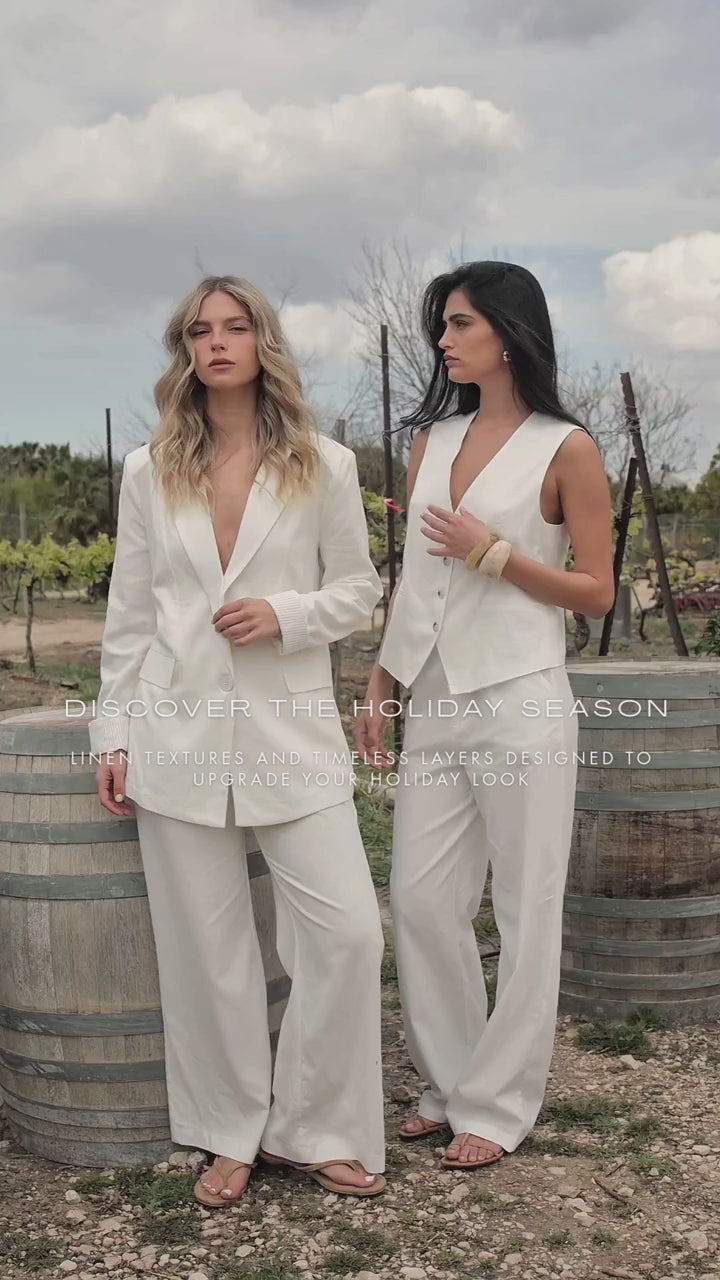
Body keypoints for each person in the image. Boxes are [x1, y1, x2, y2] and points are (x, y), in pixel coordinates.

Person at [90, 275, 387, 1204]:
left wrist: (286, 614)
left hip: (290, 736)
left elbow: (359, 589)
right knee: (207, 955)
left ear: (263, 342)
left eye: (234, 327)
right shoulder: (148, 469)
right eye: (199, 331)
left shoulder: (324, 464)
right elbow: (130, 616)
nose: (216, 343)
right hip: (174, 734)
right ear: (185, 350)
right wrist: (112, 731)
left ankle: (316, 1126)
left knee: (347, 935)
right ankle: (227, 1132)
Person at [356, 261, 614, 1170]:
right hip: (435, 697)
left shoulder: (567, 447)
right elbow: (415, 577)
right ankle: (449, 1080)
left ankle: (501, 1106)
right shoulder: (433, 440)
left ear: (508, 332)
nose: (444, 340)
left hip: (521, 699)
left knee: (526, 904)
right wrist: (383, 684)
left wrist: (496, 554)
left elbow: (596, 591)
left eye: (460, 323)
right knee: (421, 899)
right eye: (443, 325)